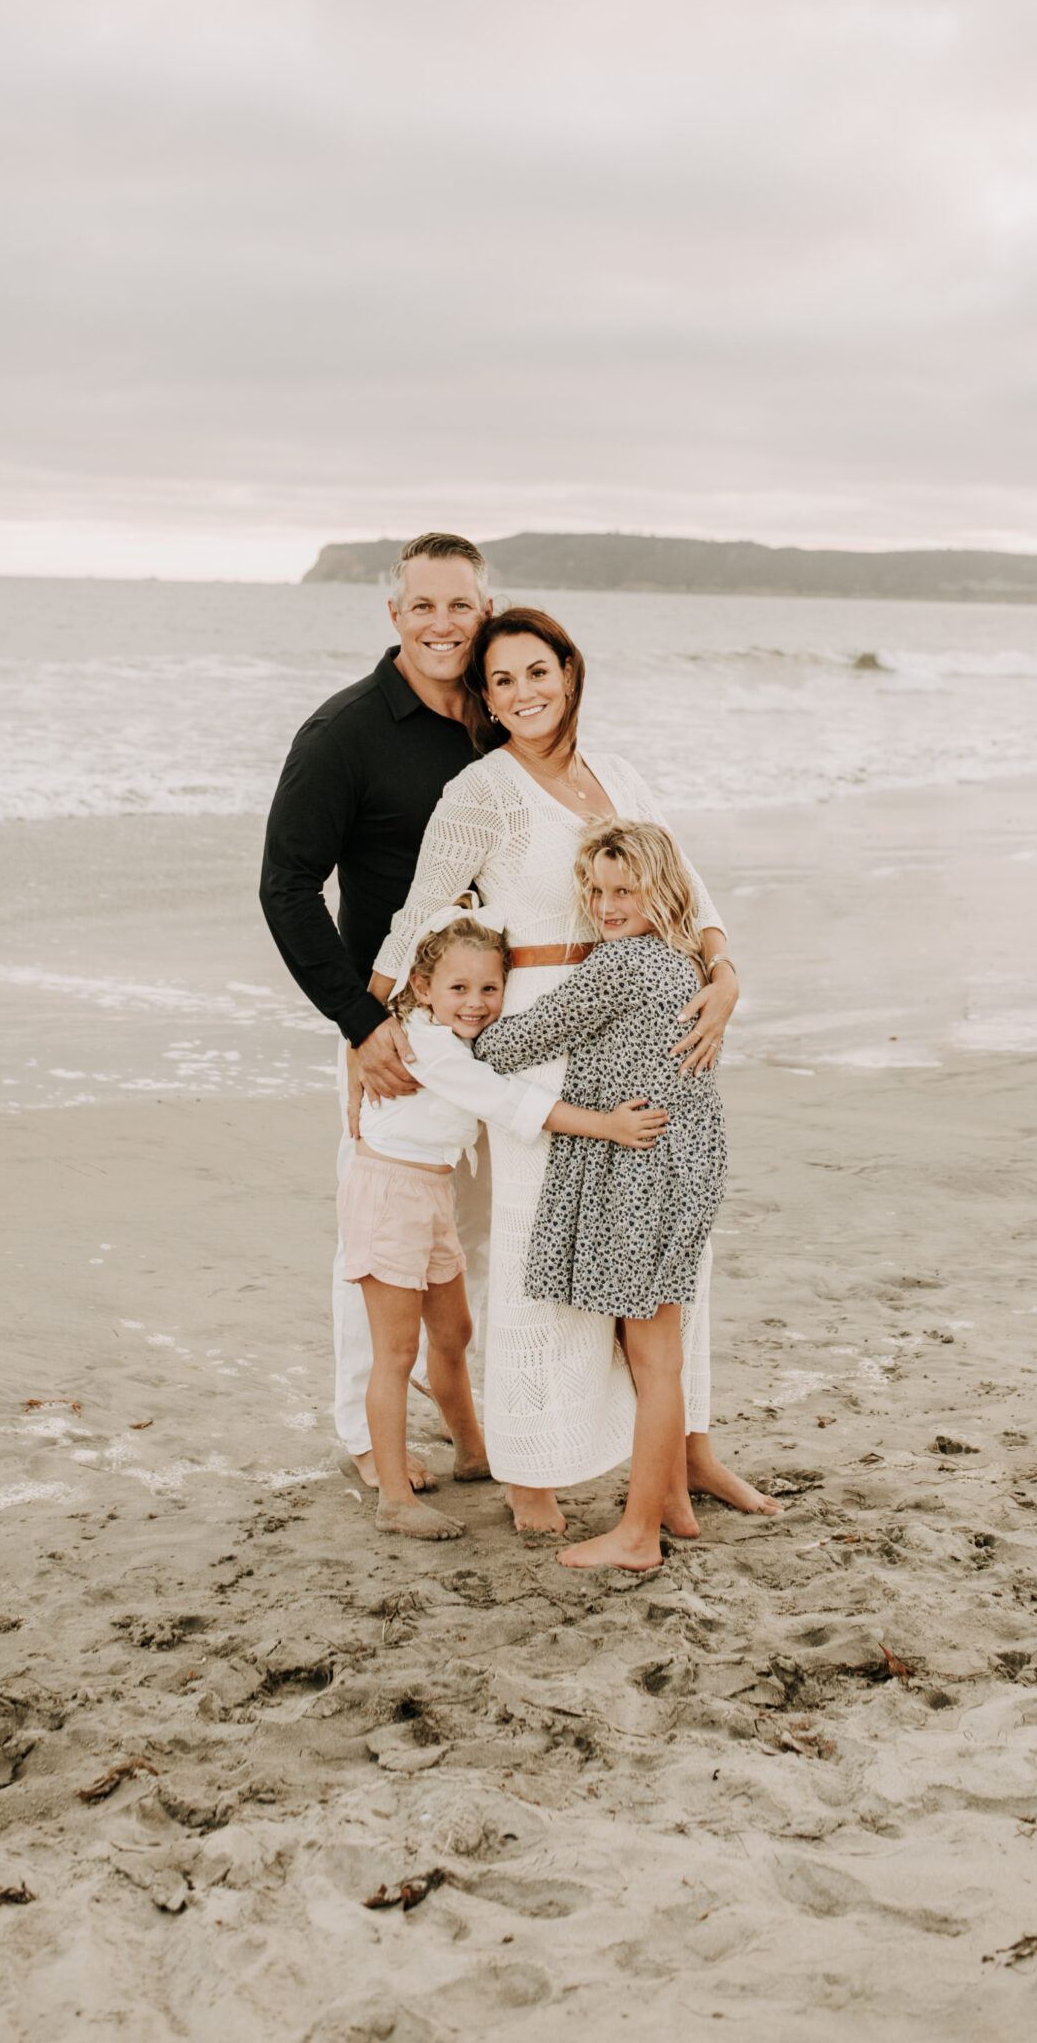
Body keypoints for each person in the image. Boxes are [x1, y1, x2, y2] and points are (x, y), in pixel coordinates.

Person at [372, 605, 775, 1533]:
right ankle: (533, 1473)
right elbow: (418, 910)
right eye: (501, 680)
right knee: (539, 1250)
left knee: (663, 1252)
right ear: (484, 696)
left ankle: (684, 1455)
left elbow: (687, 883)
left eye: (537, 672)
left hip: (644, 1022)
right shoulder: (482, 790)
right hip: (542, 1029)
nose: (523, 694)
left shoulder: (621, 773)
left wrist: (723, 973)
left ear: (569, 671)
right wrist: (370, 1022)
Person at [259, 531, 496, 1486]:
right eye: (424, 605)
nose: (444, 623)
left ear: (485, 610)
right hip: (398, 1030)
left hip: (509, 1026)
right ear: (394, 615)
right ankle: (368, 1440)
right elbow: (286, 887)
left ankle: (483, 1420)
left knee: (476, 1238)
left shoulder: (503, 717)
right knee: (383, 1240)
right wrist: (360, 1025)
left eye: (461, 605)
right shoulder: (344, 732)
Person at [345, 903, 670, 1541]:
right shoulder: (428, 1046)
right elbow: (507, 1101)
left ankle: (471, 1450)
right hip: (388, 1196)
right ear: (422, 989)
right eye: (458, 989)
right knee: (396, 1350)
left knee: (454, 1329)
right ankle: (393, 1497)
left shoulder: (453, 1035)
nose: (475, 1004)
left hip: (429, 1193)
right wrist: (605, 1124)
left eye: (489, 989)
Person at [472, 822, 727, 1571]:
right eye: (594, 888)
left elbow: (511, 1044)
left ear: (663, 890)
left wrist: (451, 1014)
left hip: (643, 1172)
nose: (604, 904)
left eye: (624, 889)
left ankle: (638, 1534)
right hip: (683, 1165)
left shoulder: (622, 969)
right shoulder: (683, 963)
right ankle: (672, 1503)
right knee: (653, 1349)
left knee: (651, 1357)